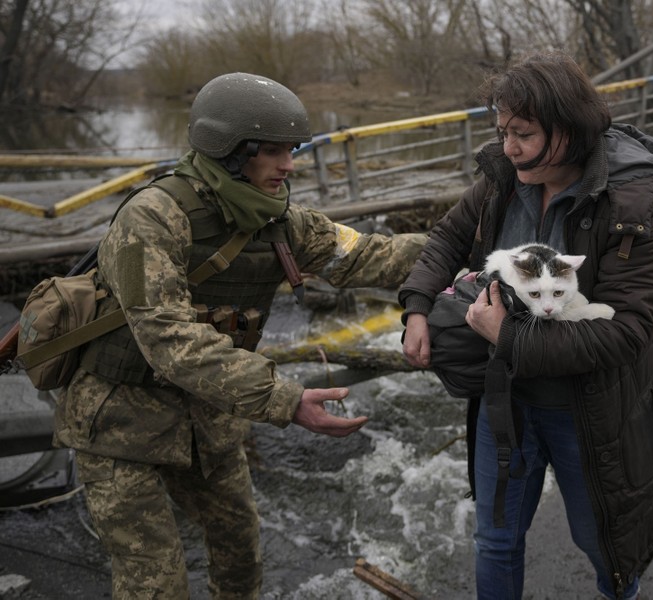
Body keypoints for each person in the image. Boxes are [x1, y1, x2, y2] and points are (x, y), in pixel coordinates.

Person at [52, 72, 427, 598]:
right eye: (272, 152)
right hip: (118, 426)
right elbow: (167, 338)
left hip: (208, 421)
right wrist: (284, 398)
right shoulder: (151, 220)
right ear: (230, 150)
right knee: (154, 583)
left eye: (291, 150)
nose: (290, 165)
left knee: (241, 558)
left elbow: (370, 256)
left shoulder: (281, 221)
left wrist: (472, 243)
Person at [399, 52, 653, 600]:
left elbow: (627, 329)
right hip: (507, 399)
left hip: (590, 410)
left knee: (605, 544)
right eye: (502, 131)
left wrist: (509, 335)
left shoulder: (635, 205)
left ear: (568, 129)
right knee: (494, 540)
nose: (508, 147)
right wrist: (418, 306)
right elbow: (446, 239)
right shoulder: (501, 180)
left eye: (523, 133)